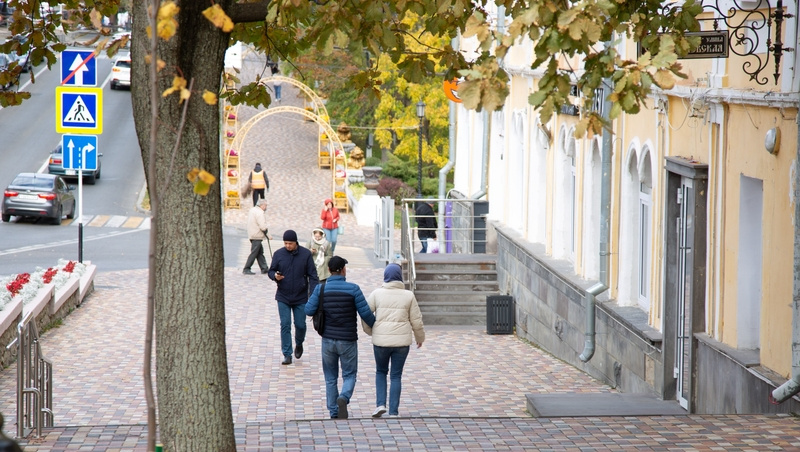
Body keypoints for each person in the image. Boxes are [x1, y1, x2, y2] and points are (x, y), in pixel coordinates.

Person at [305, 256, 376, 419]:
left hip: (328, 340)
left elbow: (308, 310)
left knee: (330, 377)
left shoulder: (321, 289)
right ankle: (343, 397)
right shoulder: (353, 289)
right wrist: (376, 326)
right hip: (348, 340)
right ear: (343, 270)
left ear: (329, 270)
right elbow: (366, 314)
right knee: (349, 374)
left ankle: (333, 412)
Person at [363, 263, 425, 418]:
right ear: (400, 277)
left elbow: (365, 313)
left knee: (380, 372)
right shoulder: (408, 295)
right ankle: (393, 412)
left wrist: (371, 331)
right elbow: (416, 321)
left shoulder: (377, 294)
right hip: (402, 343)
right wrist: (420, 338)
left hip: (380, 342)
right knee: (396, 375)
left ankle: (380, 404)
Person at [268, 230, 319, 365]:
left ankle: (299, 343)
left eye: (290, 243)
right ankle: (287, 354)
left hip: (300, 296)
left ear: (296, 242)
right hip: (283, 296)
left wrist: (313, 293)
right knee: (285, 325)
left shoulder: (305, 254)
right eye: (285, 243)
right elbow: (271, 270)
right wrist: (275, 276)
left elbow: (313, 276)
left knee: (300, 325)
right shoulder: (278, 254)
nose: (287, 246)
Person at [243, 199, 272, 275]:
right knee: (254, 252)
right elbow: (262, 226)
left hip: (252, 234)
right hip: (257, 235)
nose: (266, 207)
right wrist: (268, 235)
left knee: (259, 252)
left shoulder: (253, 210)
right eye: (265, 205)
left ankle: (264, 268)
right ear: (262, 205)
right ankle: (246, 268)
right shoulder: (260, 213)